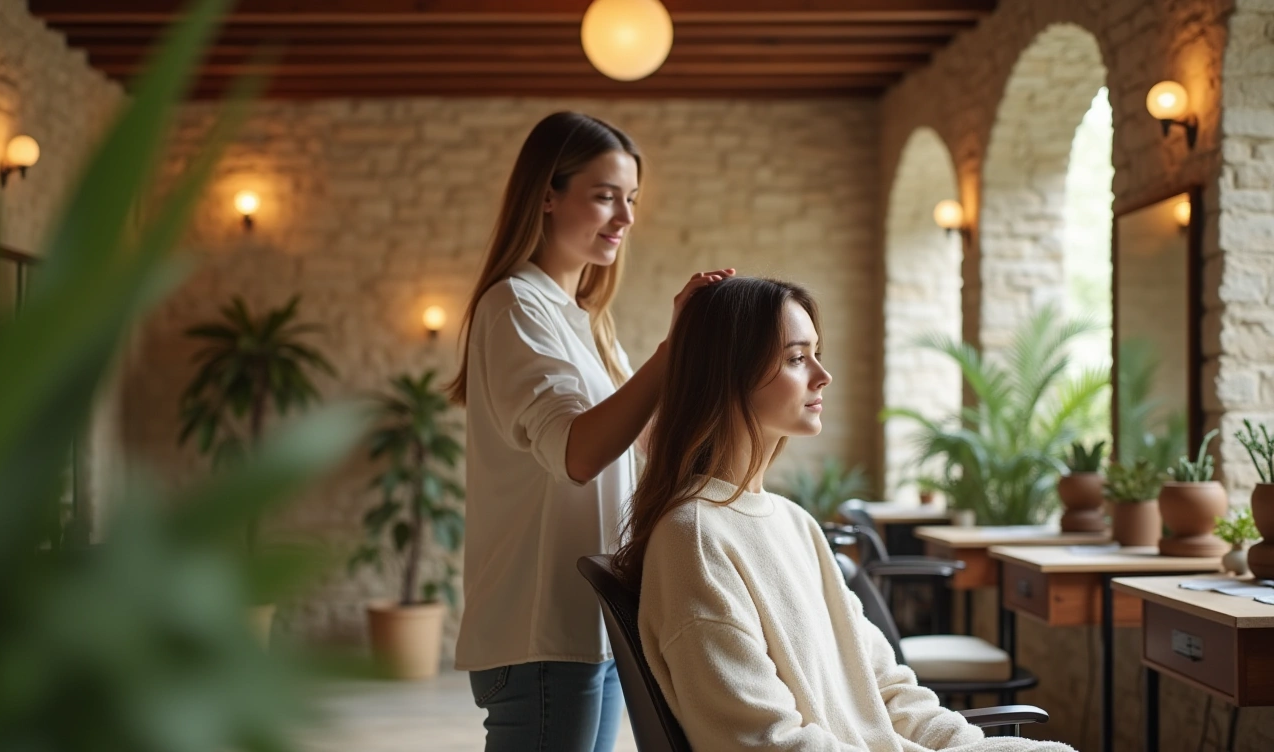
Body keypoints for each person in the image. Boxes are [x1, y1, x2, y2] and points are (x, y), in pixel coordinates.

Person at [612, 277, 1074, 752]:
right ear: (727, 373)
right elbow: (762, 742)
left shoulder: (795, 524)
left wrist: (968, 746)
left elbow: (885, 686)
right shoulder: (694, 539)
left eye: (816, 353)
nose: (823, 374)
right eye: (796, 358)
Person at [448, 110, 733, 752]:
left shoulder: (585, 323)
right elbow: (577, 453)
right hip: (540, 631)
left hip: (589, 626)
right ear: (546, 195)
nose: (625, 218)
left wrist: (702, 349)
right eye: (605, 196)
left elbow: (651, 444)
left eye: (631, 199)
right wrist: (669, 352)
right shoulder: (514, 304)